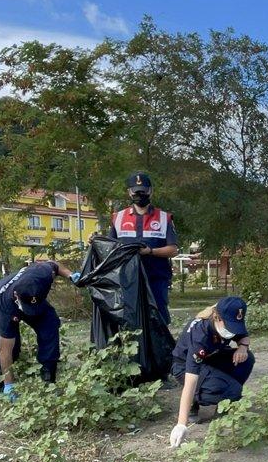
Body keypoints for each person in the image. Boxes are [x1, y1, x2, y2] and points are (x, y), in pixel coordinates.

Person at [0, 260, 79, 400]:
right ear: (17, 297)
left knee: (50, 323)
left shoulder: (42, 273)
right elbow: (5, 349)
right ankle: (3, 383)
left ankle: (48, 379)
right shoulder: (7, 302)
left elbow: (54, 265)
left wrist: (71, 275)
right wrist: (10, 385)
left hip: (33, 300)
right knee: (12, 348)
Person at [169, 297, 254, 447]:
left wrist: (242, 348)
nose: (233, 331)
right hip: (184, 368)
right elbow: (190, 381)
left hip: (210, 358)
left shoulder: (232, 318)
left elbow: (243, 336)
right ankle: (195, 403)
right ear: (216, 317)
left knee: (247, 359)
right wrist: (181, 424)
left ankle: (223, 406)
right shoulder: (200, 334)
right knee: (233, 390)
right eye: (230, 326)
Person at [108, 172, 179, 325]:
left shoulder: (164, 217)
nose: (140, 194)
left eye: (143, 191)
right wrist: (94, 242)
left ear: (150, 191)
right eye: (136, 191)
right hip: (127, 281)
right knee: (130, 321)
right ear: (129, 192)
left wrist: (151, 251)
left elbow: (173, 250)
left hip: (156, 280)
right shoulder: (118, 217)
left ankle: (160, 349)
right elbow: (109, 249)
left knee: (158, 321)